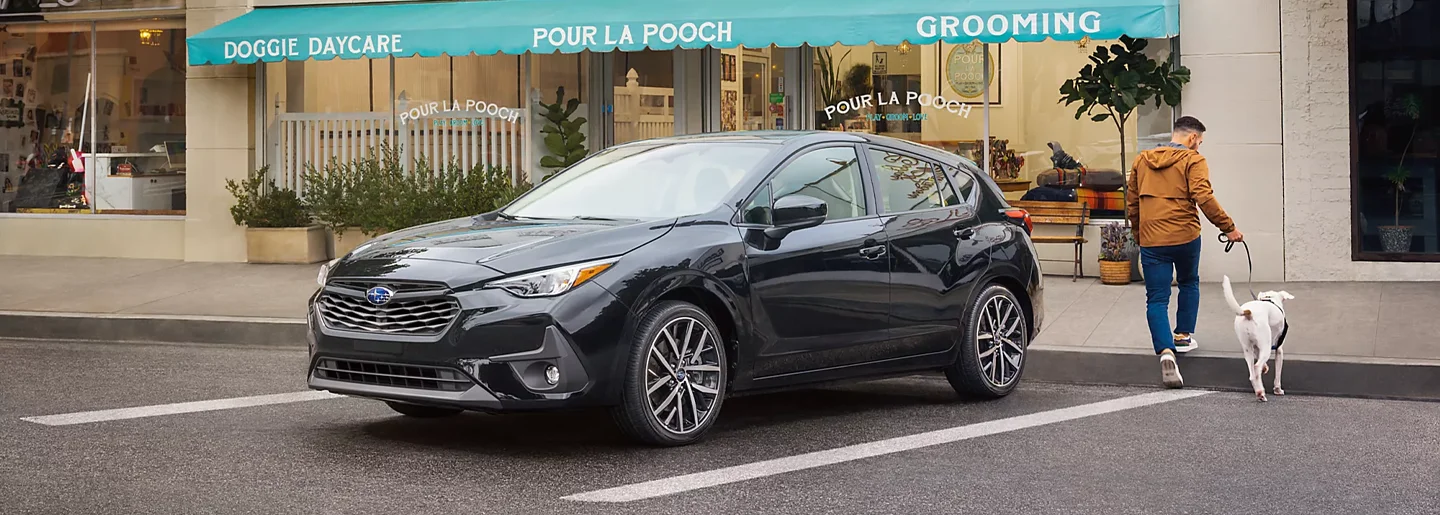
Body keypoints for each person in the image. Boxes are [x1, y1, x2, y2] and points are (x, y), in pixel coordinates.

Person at [1126, 116, 1242, 388]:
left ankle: (1166, 352)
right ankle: (1182, 336)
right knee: (1189, 282)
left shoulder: (1142, 160)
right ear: (1191, 138)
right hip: (1185, 236)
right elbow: (1204, 196)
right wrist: (1230, 228)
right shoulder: (1193, 160)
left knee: (1156, 298)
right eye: (1199, 142)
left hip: (1152, 238)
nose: (1199, 147)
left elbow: (1132, 202)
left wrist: (1139, 235)